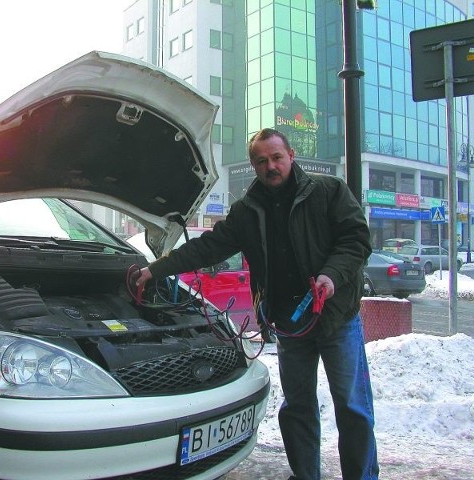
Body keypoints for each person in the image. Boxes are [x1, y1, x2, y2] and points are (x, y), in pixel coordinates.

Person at [133, 128, 378, 480]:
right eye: (261, 161)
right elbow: (208, 246)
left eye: (277, 157)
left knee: (353, 407)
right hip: (290, 324)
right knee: (298, 408)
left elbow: (356, 239)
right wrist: (156, 269)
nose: (271, 166)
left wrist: (331, 276)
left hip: (337, 318)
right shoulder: (247, 210)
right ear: (253, 165)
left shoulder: (328, 191)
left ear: (291, 155)